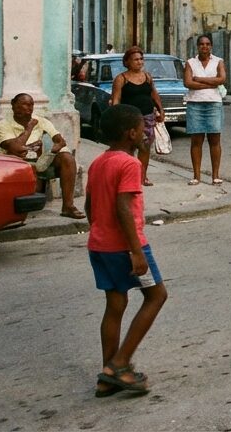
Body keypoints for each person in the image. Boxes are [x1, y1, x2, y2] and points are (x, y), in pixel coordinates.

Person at [86, 104, 169, 397]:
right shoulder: (130, 165)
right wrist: (136, 251)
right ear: (130, 133)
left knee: (115, 304)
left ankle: (107, 378)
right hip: (126, 246)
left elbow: (89, 206)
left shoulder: (99, 162)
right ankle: (119, 364)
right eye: (142, 128)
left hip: (99, 246)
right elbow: (123, 208)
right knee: (157, 296)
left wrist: (99, 233)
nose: (147, 131)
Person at [0, 92, 83, 218]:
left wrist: (56, 145)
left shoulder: (40, 121)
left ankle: (68, 206)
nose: (29, 108)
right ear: (13, 106)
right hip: (15, 164)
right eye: (24, 104)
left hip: (39, 161)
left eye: (31, 104)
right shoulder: (3, 125)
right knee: (31, 173)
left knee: (67, 158)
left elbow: (59, 140)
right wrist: (29, 128)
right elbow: (17, 149)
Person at [110, 47, 165, 187]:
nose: (139, 62)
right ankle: (128, 176)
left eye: (141, 59)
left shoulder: (147, 77)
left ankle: (142, 176)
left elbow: (154, 94)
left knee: (145, 147)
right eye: (136, 59)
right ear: (127, 62)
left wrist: (161, 109)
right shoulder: (121, 79)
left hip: (147, 117)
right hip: (130, 119)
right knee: (128, 148)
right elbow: (116, 99)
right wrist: (116, 117)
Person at [182, 34, 226, 185]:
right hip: (195, 104)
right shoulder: (190, 63)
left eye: (207, 44)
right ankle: (196, 176)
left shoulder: (218, 61)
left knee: (215, 140)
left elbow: (221, 79)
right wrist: (211, 83)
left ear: (211, 46)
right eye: (201, 44)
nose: (205, 47)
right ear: (198, 46)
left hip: (214, 104)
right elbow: (188, 83)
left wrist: (199, 79)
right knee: (196, 141)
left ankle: (215, 175)